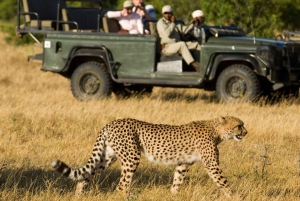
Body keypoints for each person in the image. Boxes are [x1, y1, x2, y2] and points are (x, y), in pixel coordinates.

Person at [156, 5, 201, 72]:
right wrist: (173, 23)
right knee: (182, 44)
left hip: (178, 45)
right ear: (162, 14)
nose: (168, 15)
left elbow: (185, 30)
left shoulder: (176, 23)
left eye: (169, 13)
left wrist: (192, 23)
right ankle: (194, 64)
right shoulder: (160, 22)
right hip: (167, 47)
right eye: (165, 13)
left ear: (172, 14)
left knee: (196, 44)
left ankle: (203, 62)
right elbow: (167, 34)